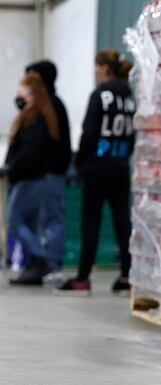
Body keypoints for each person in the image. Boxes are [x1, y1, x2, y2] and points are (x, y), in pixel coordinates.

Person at [57, 50, 135, 293]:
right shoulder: (129, 95)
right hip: (120, 165)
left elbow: (89, 132)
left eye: (96, 66)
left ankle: (82, 277)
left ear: (103, 68)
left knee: (90, 223)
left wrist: (80, 162)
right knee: (123, 222)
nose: (94, 71)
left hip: (97, 166)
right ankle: (127, 275)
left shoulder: (100, 95)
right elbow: (133, 132)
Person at [5, 72, 60, 284]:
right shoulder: (29, 118)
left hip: (30, 179)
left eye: (23, 94)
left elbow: (29, 154)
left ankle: (39, 258)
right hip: (29, 179)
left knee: (15, 221)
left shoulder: (37, 121)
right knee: (29, 222)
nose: (19, 98)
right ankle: (32, 266)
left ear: (34, 95)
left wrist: (14, 168)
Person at [26, 61, 71, 285]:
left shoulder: (52, 105)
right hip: (46, 174)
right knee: (45, 220)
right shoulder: (44, 105)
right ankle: (45, 262)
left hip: (51, 173)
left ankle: (53, 265)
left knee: (52, 219)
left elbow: (53, 145)